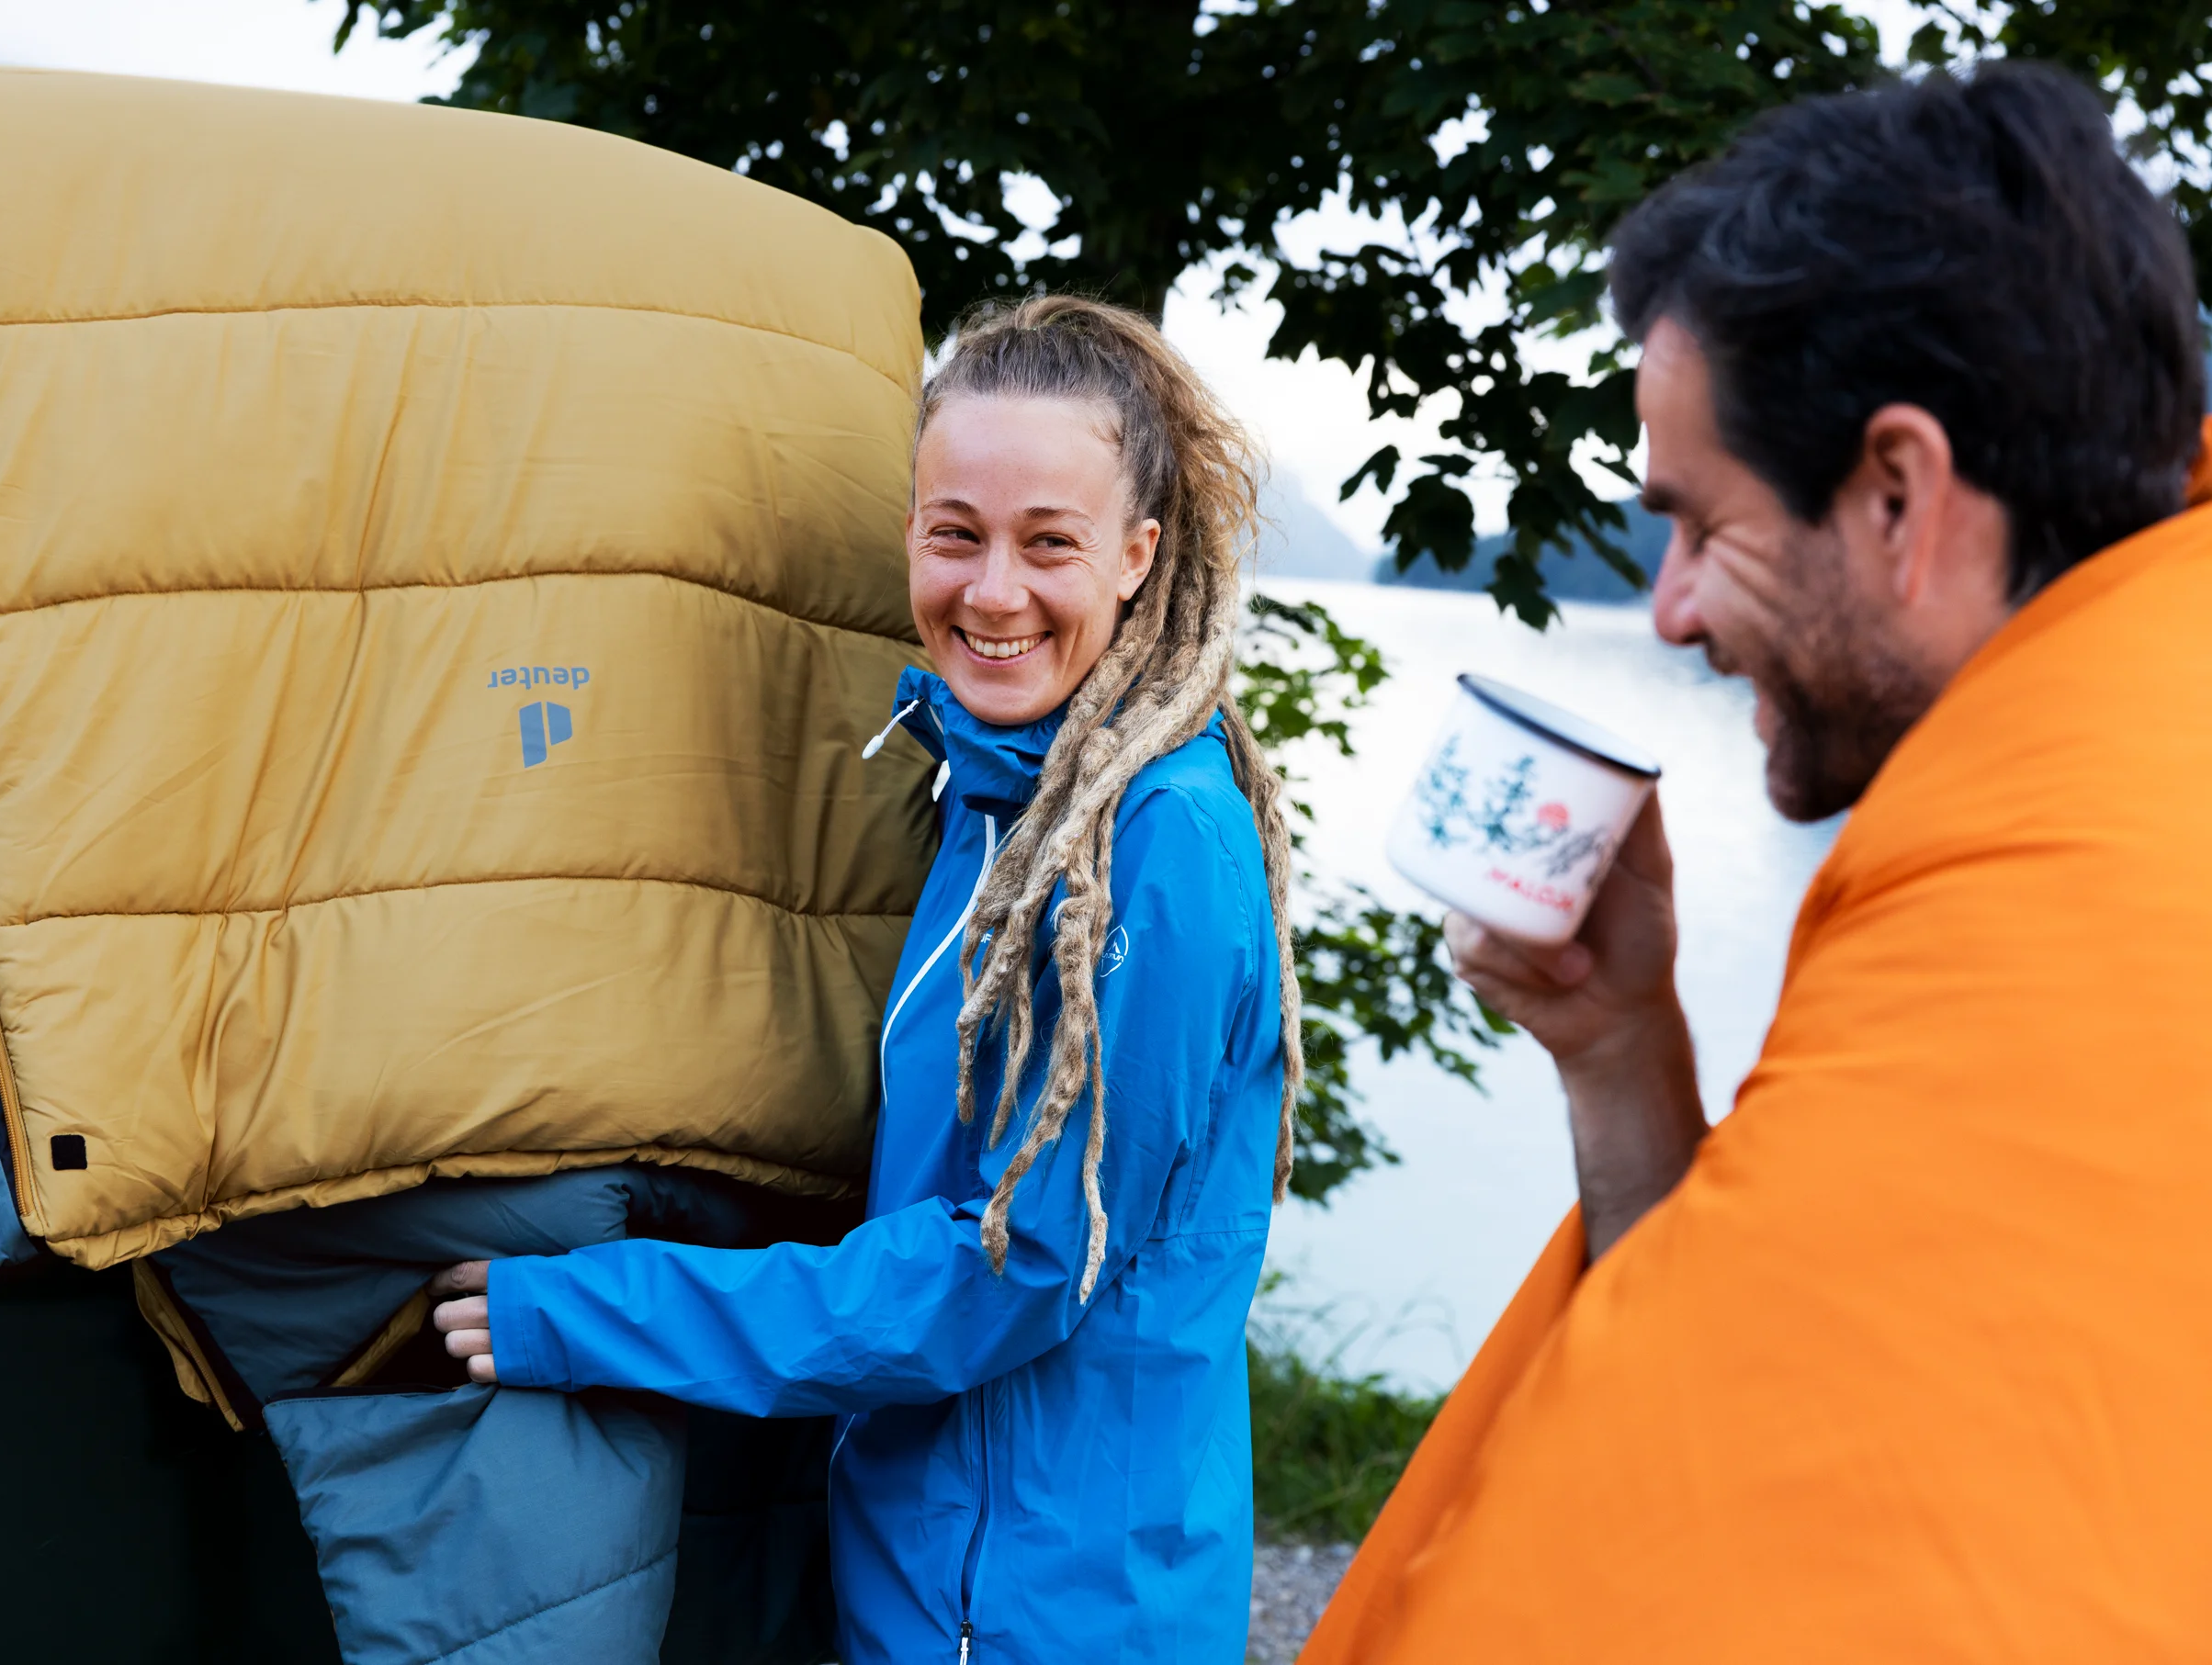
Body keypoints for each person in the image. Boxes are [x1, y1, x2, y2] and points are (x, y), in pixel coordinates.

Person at [1304, 62, 2212, 1659]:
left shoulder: (2060, 904)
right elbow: (1747, 1410)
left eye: (1700, 525)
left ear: (1897, 495)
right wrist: (1620, 1055)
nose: (1666, 609)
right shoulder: (2125, 737)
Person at [425, 296, 1301, 1663]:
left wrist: (589, 1309)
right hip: (928, 1575)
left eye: (1048, 544)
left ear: (1138, 556)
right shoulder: (996, 789)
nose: (992, 591)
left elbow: (1004, 1274)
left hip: (1037, 1615)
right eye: (956, 534)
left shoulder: (1159, 842)